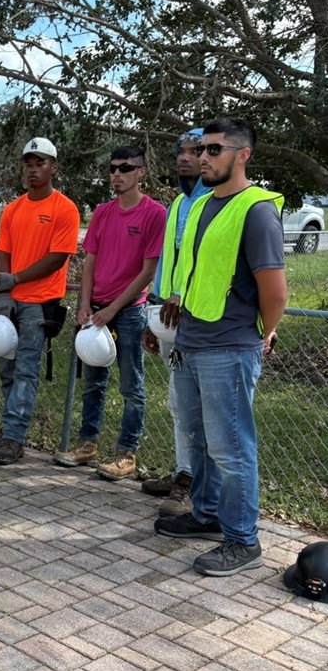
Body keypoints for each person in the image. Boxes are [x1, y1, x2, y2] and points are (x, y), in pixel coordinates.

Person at [153, 116, 286, 577]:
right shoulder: (204, 203)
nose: (203, 157)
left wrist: (262, 333)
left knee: (231, 447)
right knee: (200, 440)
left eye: (214, 150)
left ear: (242, 155)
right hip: (191, 341)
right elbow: (196, 271)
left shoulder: (256, 209)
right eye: (200, 149)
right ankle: (207, 515)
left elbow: (275, 290)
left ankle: (242, 540)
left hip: (229, 348)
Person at [56, 145, 166, 479]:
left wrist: (114, 308)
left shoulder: (154, 214)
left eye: (125, 168)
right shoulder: (102, 212)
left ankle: (126, 455)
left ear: (141, 173)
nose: (117, 174)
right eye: (113, 169)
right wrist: (86, 304)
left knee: (132, 385)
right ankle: (87, 445)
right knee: (93, 382)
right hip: (97, 309)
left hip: (129, 311)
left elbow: (148, 271)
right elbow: (89, 261)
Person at [0, 137, 80, 466]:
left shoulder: (64, 209)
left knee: (25, 370)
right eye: (28, 164)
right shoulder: (13, 209)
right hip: (11, 302)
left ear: (53, 167)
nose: (33, 170)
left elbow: (57, 258)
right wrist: (6, 292)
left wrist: (17, 280)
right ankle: (12, 425)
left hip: (39, 304)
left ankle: (14, 438)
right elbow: (4, 251)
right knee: (5, 366)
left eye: (40, 163)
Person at [140, 128, 209, 515]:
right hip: (167, 315)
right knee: (177, 400)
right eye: (180, 151)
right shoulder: (178, 206)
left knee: (198, 404)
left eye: (195, 150)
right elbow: (168, 265)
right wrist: (154, 316)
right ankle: (183, 470)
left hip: (202, 321)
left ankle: (195, 481)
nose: (185, 158)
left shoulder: (213, 202)